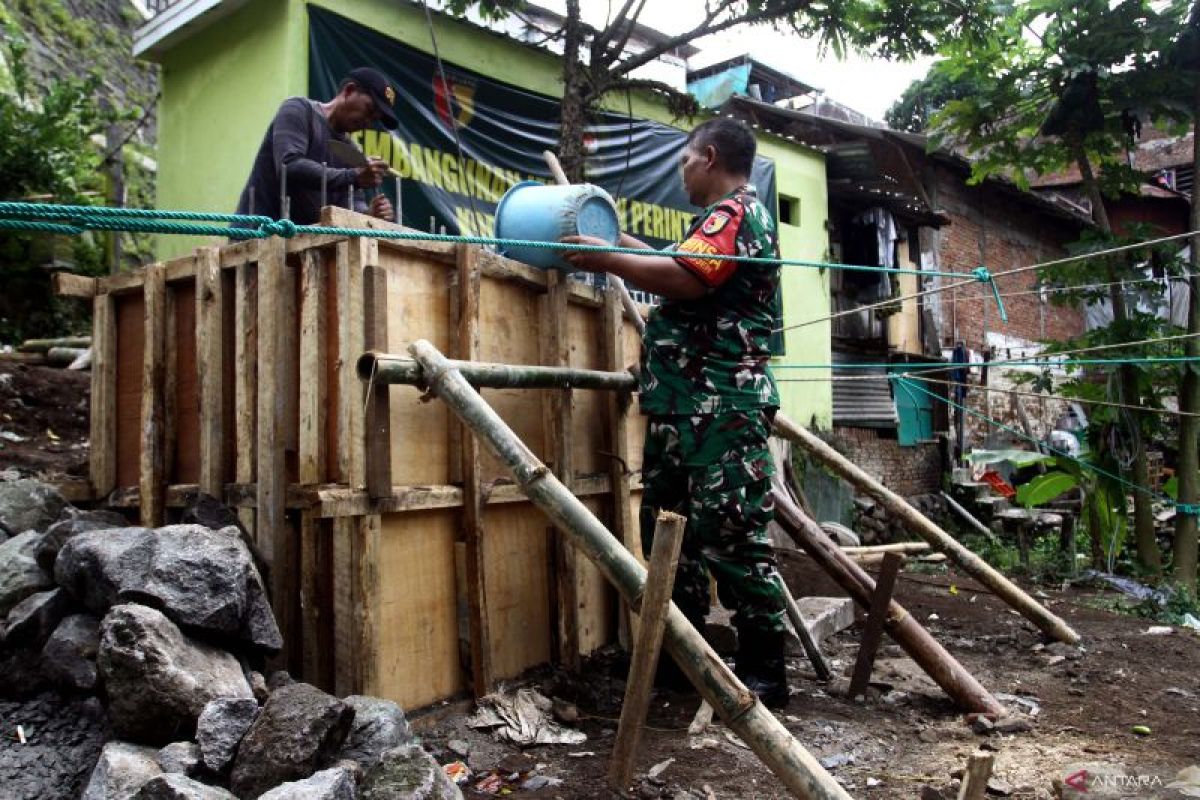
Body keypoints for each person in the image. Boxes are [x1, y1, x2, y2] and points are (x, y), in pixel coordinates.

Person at [562, 118, 788, 708]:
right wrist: (615, 243)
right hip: (684, 410)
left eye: (686, 159)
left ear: (708, 158)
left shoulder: (734, 214)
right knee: (670, 534)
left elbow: (687, 278)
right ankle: (682, 658)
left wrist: (606, 258)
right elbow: (678, 261)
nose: (681, 169)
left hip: (720, 410)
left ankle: (765, 669)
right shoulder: (718, 224)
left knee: (732, 533)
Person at [235, 67, 398, 225]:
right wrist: (353, 177)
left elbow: (350, 205)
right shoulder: (298, 110)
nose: (368, 122)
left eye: (374, 119)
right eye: (369, 110)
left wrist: (370, 214)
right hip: (257, 235)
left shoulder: (350, 152)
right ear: (349, 91)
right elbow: (289, 165)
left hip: (301, 244)